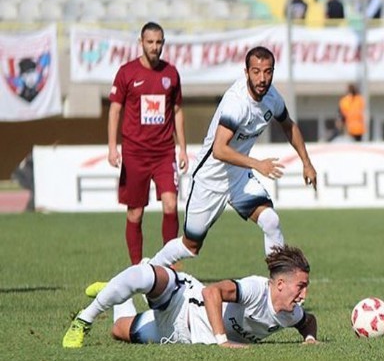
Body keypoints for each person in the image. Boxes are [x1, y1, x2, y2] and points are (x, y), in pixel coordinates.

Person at [147, 46, 317, 269]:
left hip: (238, 176)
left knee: (270, 220)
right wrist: (257, 164)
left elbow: (289, 125)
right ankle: (149, 270)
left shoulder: (273, 97)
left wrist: (307, 162)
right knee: (191, 246)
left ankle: (280, 289)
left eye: (268, 71)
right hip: (210, 178)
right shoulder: (236, 103)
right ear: (246, 72)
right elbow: (219, 149)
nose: (262, 78)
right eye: (256, 71)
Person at [62, 244, 318, 348]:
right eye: (301, 286)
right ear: (281, 283)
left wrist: (309, 338)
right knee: (141, 276)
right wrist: (222, 341)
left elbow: (308, 320)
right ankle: (83, 320)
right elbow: (211, 292)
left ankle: (113, 291)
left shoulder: (291, 313)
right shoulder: (255, 289)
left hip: (174, 334)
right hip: (181, 299)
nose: (304, 294)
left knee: (118, 330)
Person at [107, 21, 189, 265]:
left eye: (159, 42)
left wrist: (183, 148)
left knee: (171, 204)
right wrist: (112, 147)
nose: (155, 47)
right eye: (150, 42)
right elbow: (114, 111)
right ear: (141, 43)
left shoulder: (171, 74)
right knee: (135, 212)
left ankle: (169, 265)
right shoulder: (126, 72)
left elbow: (177, 111)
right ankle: (136, 269)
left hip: (164, 152)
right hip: (134, 153)